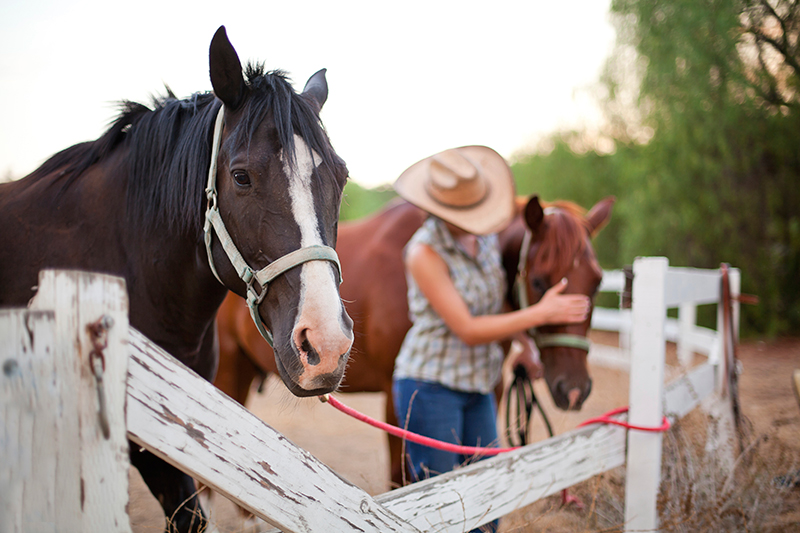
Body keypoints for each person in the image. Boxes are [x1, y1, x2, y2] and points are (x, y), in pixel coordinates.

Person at [391, 146, 590, 531]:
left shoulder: (482, 241)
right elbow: (467, 328)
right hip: (431, 387)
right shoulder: (423, 252)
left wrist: (526, 343)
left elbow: (494, 306)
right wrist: (541, 314)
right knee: (440, 503)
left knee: (487, 496)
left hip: (479, 385)